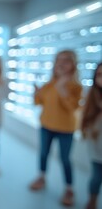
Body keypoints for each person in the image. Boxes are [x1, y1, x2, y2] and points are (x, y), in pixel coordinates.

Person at [29, 50, 82, 206]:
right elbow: (38, 102)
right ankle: (41, 177)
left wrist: (62, 88)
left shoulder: (76, 87)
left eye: (66, 60)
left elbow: (73, 108)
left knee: (65, 159)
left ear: (73, 64)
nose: (61, 63)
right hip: (46, 125)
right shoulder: (49, 84)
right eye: (59, 60)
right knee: (43, 153)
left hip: (66, 129)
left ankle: (69, 188)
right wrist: (36, 93)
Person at [80, 62, 102, 209]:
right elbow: (85, 122)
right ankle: (92, 200)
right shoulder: (92, 95)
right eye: (100, 75)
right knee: (96, 178)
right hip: (96, 147)